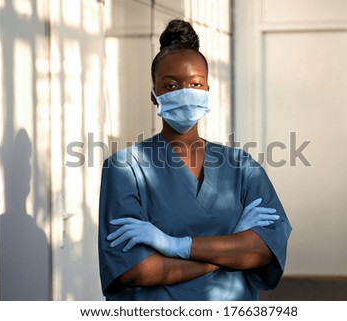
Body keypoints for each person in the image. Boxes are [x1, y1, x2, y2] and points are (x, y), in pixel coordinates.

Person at [98, 19, 291, 300]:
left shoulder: (242, 168)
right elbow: (134, 269)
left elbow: (264, 249)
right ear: (154, 95)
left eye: (195, 83)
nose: (184, 92)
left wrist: (174, 246)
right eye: (171, 85)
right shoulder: (125, 168)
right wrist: (229, 250)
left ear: (207, 91)